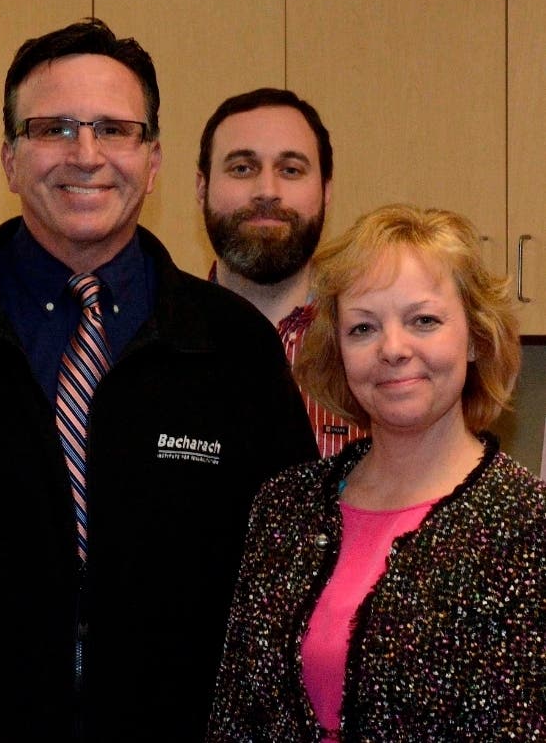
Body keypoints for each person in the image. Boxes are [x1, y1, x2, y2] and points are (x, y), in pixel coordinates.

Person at [0, 18, 319, 741]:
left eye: (115, 130)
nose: (86, 155)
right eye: (53, 128)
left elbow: (290, 589)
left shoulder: (233, 349)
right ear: (8, 158)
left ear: (153, 160)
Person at [207, 204, 546, 740]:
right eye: (363, 327)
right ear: (338, 351)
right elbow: (235, 715)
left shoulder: (527, 526)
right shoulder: (283, 509)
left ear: (477, 337)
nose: (393, 349)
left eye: (424, 320)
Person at [197, 87, 364, 457]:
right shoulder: (158, 343)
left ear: (326, 192)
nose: (267, 191)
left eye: (291, 170)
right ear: (201, 188)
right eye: (242, 168)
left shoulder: (373, 349)